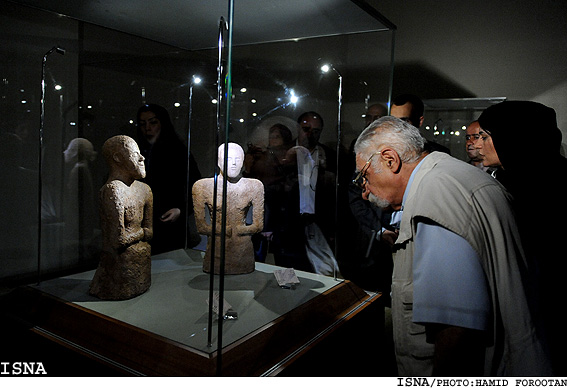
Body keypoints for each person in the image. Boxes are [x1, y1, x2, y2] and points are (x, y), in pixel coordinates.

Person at [353, 116, 551, 376]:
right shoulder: (451, 173)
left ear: (390, 159)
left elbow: (456, 326)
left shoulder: (433, 194)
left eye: (364, 175)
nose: (365, 191)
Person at [477, 100, 567, 375]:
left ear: (512, 137)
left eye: (485, 136)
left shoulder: (538, 186)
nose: (479, 144)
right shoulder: (511, 179)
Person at [274, 111, 339, 276]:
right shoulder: (282, 153)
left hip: (319, 224)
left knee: (320, 274)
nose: (310, 134)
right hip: (288, 224)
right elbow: (274, 189)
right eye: (306, 129)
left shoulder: (330, 156)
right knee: (287, 276)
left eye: (316, 131)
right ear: (298, 128)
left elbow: (334, 195)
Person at [90, 135, 153, 300]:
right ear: (117, 158)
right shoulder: (113, 190)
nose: (142, 157)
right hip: (119, 270)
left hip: (140, 265)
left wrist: (143, 233)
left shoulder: (145, 189)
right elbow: (118, 240)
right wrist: (141, 233)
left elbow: (150, 231)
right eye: (135, 153)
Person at [136, 104, 201, 254]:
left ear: (162, 123)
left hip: (169, 222)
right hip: (142, 221)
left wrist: (181, 210)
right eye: (142, 123)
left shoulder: (178, 151)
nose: (147, 128)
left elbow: (195, 184)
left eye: (153, 122)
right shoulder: (137, 151)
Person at [192, 143, 264, 275]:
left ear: (243, 162)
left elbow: (258, 226)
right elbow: (201, 227)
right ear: (219, 161)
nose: (234, 163)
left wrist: (239, 229)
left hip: (243, 252)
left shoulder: (254, 186)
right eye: (228, 159)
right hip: (216, 251)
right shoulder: (202, 186)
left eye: (237, 159)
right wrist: (223, 230)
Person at [244, 123, 294, 262]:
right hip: (262, 212)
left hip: (281, 215)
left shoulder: (287, 159)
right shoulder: (264, 157)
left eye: (277, 137)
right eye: (271, 137)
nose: (273, 140)